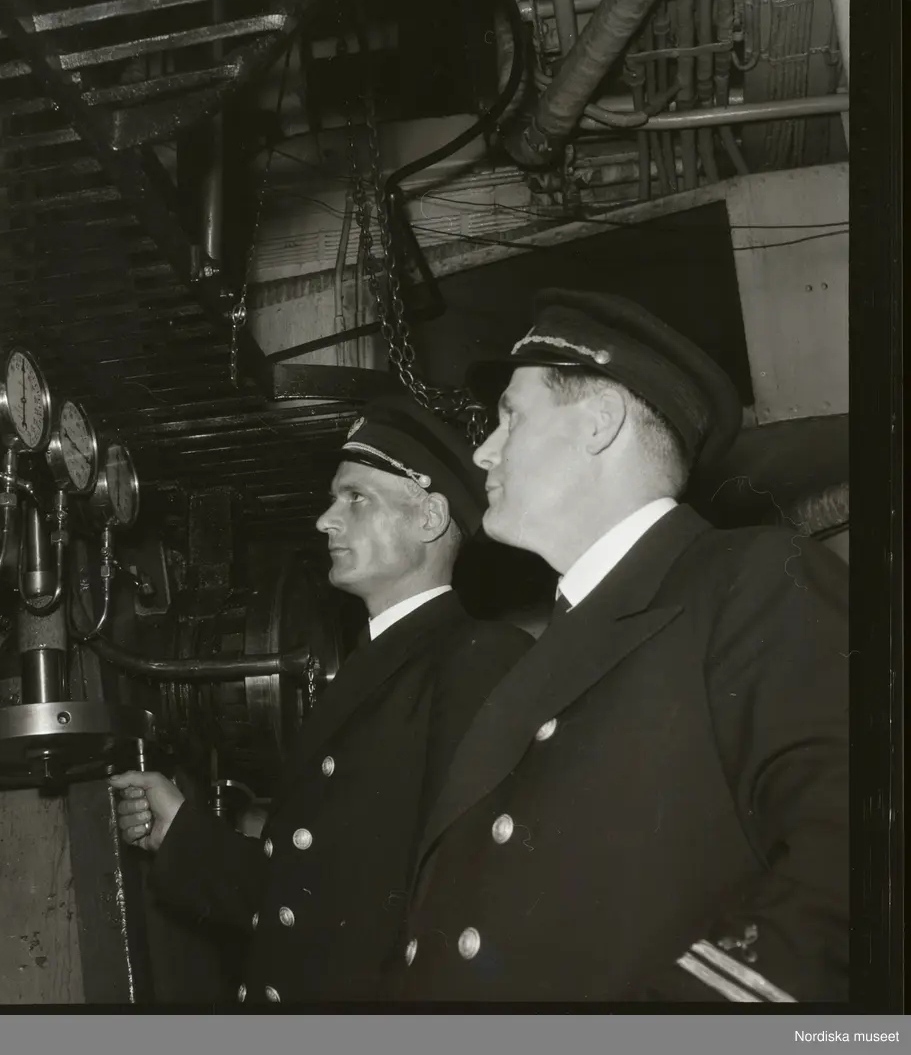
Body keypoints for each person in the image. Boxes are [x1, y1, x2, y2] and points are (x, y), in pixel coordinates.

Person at [393, 289, 848, 1003]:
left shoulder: (757, 580)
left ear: (598, 423)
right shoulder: (555, 642)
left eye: (510, 417)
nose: (484, 450)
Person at [110, 397, 533, 1004]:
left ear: (430, 517)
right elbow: (309, 901)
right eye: (335, 499)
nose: (325, 521)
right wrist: (181, 832)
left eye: (356, 498)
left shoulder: (477, 659)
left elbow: (469, 908)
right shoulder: (374, 665)